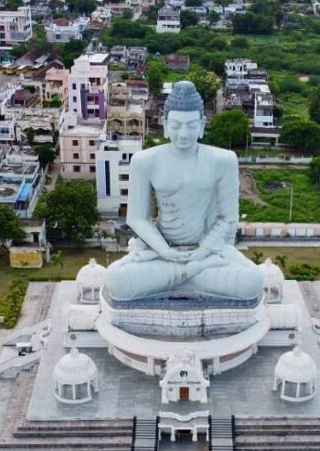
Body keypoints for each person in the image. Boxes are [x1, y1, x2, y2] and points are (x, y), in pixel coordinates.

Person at [104, 80, 263, 303]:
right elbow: (137, 218)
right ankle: (191, 275)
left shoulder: (223, 160)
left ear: (202, 125)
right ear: (165, 124)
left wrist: (202, 252)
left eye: (191, 125)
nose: (184, 133)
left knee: (252, 280)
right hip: (163, 254)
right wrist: (165, 251)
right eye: (176, 126)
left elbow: (228, 218)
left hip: (206, 252)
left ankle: (181, 276)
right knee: (116, 280)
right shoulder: (145, 161)